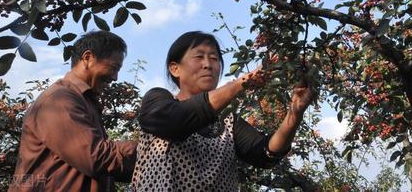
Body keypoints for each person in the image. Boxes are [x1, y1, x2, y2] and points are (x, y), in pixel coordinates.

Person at [131, 31, 313, 191]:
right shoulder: (158, 101)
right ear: (175, 68)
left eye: (214, 58)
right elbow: (176, 121)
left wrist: (295, 114)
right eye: (199, 57)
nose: (208, 64)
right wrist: (245, 81)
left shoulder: (228, 122)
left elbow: (265, 154)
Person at [10, 31, 137, 192]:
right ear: (87, 58)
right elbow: (97, 158)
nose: (115, 77)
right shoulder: (59, 99)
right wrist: (154, 149)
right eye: (113, 67)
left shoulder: (84, 102)